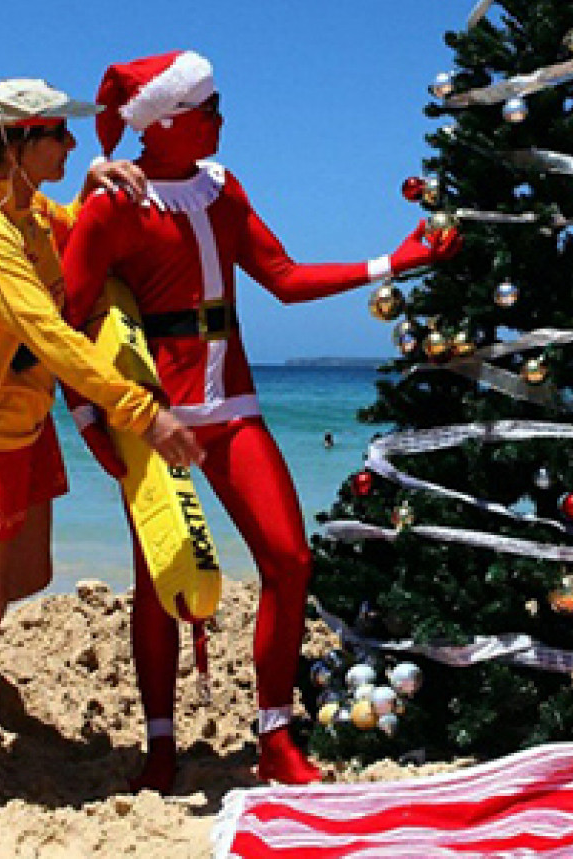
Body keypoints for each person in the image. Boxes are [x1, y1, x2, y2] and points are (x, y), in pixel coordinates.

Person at [59, 50, 462, 789]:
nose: (220, 119)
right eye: (209, 109)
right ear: (169, 120)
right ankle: (158, 744)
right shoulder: (114, 205)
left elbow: (281, 278)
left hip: (235, 408)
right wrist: (90, 419)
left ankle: (274, 737)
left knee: (288, 559)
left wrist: (391, 263)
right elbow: (67, 319)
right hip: (157, 421)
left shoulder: (222, 189)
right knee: (158, 580)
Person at [0, 79, 205, 811]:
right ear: (14, 142)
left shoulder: (26, 206)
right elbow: (53, 336)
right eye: (57, 135)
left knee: (25, 575)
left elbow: (59, 226)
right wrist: (145, 413)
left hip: (24, 426)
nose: (73, 145)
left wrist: (88, 189)